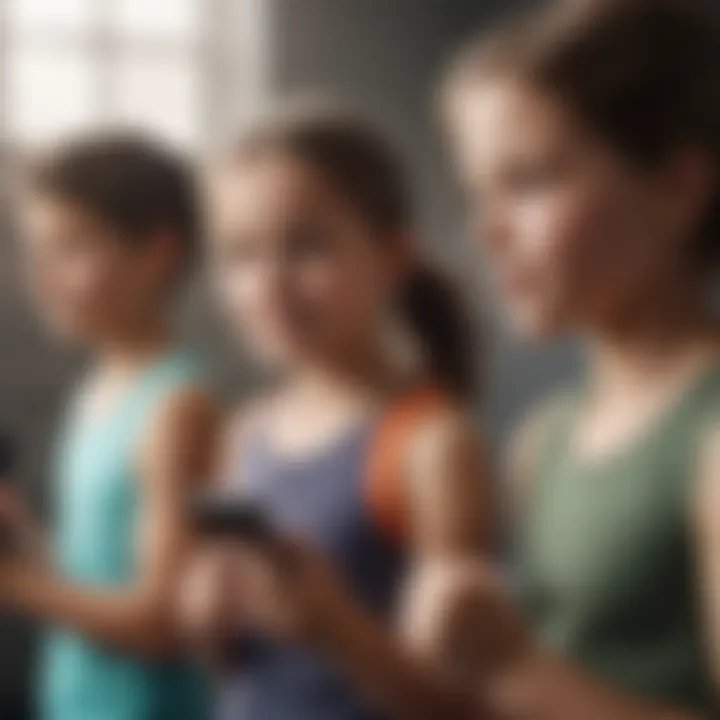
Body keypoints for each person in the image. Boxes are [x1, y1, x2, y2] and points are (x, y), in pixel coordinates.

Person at [180, 1, 720, 718]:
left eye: (529, 181)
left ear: (677, 188)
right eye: (477, 193)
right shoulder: (542, 442)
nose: (487, 229)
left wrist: (513, 670)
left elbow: (518, 686)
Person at [180, 103, 489, 720]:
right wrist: (208, 619)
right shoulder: (245, 433)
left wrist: (335, 628)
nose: (268, 283)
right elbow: (245, 668)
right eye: (240, 255)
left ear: (394, 256)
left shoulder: (431, 443)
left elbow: (464, 701)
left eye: (307, 246)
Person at [0, 134, 219, 720]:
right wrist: (22, 537)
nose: (41, 278)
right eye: (35, 252)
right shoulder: (97, 390)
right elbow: (90, 577)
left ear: (156, 253)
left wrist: (12, 583)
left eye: (70, 249)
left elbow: (164, 621)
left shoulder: (178, 407)